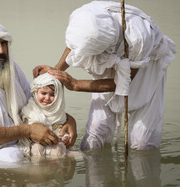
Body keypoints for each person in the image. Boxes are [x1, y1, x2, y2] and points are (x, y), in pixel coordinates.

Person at [33, 1, 176, 151]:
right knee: (96, 130)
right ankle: (94, 166)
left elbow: (122, 82)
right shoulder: (82, 17)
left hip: (145, 67)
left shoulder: (138, 38)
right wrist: (56, 71)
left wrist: (75, 84)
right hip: (109, 64)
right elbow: (74, 44)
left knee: (142, 142)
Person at [0, 21, 77, 162]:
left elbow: (35, 104)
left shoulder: (12, 68)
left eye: (4, 43)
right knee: (12, 160)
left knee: (62, 150)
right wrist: (29, 130)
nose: (1, 50)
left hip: (18, 141)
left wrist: (69, 121)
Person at [19, 73, 70, 157]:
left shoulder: (58, 111)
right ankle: (39, 168)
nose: (47, 98)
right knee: (37, 149)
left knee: (59, 148)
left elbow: (59, 126)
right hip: (36, 142)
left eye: (52, 95)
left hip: (55, 141)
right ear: (36, 92)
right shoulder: (30, 109)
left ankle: (56, 167)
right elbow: (26, 126)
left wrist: (63, 136)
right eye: (43, 93)